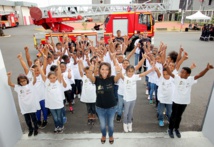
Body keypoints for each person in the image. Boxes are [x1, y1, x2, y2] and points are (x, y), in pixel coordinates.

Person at [166, 63, 213, 138]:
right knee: (174, 115)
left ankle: (176, 128)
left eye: (183, 72)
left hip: (184, 101)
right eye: (181, 71)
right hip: (176, 101)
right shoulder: (177, 78)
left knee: (179, 116)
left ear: (188, 74)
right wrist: (166, 66)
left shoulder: (190, 79)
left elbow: (199, 75)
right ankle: (170, 129)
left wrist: (207, 68)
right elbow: (170, 73)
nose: (181, 73)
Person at [88, 62, 122, 144]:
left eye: (107, 69)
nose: (104, 71)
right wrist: (90, 70)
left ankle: (110, 136)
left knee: (111, 125)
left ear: (109, 70)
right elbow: (89, 76)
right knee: (102, 125)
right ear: (99, 70)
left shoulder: (112, 78)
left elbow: (118, 76)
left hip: (112, 107)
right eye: (102, 69)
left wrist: (119, 71)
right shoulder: (97, 79)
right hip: (100, 108)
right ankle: (103, 135)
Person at [17, 52, 48, 129]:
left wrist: (44, 59)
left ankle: (45, 120)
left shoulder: (41, 75)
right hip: (34, 98)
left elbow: (44, 67)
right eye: (35, 70)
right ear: (32, 70)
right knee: (37, 110)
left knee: (44, 110)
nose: (37, 72)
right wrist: (21, 59)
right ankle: (38, 121)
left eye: (38, 70)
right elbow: (25, 67)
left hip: (43, 97)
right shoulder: (29, 76)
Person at [37, 60, 67, 133]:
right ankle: (56, 127)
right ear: (48, 78)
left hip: (59, 104)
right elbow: (42, 73)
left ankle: (61, 126)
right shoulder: (47, 82)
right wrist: (38, 65)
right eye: (50, 78)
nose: (52, 79)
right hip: (51, 104)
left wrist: (58, 65)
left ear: (56, 77)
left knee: (59, 117)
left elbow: (59, 74)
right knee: (55, 117)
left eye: (54, 77)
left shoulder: (58, 82)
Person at [121, 64, 154, 132]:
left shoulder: (134, 77)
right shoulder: (125, 77)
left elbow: (143, 74)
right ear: (126, 71)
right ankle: (125, 123)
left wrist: (151, 70)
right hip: (127, 99)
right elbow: (119, 73)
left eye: (132, 71)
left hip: (133, 98)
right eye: (129, 71)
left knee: (131, 112)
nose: (130, 73)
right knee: (126, 112)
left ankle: (130, 123)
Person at [7, 71, 39, 137]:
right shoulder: (18, 87)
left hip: (31, 106)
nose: (23, 82)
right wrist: (9, 76)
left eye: (24, 80)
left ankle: (36, 129)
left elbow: (34, 80)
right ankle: (30, 129)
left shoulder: (30, 85)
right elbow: (10, 84)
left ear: (26, 80)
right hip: (24, 108)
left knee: (34, 119)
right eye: (21, 81)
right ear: (19, 82)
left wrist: (33, 73)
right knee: (27, 120)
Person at [78, 60, 96, 125]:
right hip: (87, 96)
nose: (88, 74)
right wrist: (80, 63)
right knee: (88, 108)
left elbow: (96, 70)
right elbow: (80, 71)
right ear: (85, 72)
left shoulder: (94, 77)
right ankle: (89, 117)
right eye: (86, 72)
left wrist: (93, 65)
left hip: (93, 96)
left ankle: (93, 117)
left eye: (89, 72)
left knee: (93, 108)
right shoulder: (84, 77)